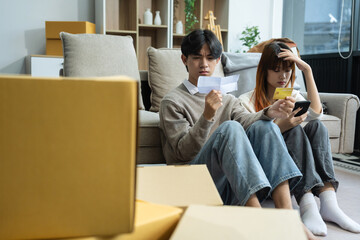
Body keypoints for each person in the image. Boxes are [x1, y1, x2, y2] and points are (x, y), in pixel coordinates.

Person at [159, 29, 320, 240]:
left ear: (218, 61)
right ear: (184, 60)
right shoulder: (172, 102)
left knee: (266, 126)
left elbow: (248, 120)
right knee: (230, 128)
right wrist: (207, 117)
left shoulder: (227, 98)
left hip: (229, 185)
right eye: (197, 57)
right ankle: (258, 221)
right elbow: (181, 153)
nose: (204, 64)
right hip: (195, 185)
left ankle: (288, 218)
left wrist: (270, 112)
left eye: (210, 58)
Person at [238, 41, 360, 236]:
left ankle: (329, 202)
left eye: (287, 70)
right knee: (293, 130)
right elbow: (252, 147)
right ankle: (306, 203)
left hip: (290, 170)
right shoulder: (246, 101)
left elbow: (316, 114)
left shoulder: (291, 95)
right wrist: (282, 126)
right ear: (264, 70)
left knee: (317, 127)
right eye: (276, 69)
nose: (283, 76)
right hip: (268, 173)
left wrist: (308, 71)